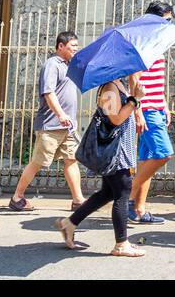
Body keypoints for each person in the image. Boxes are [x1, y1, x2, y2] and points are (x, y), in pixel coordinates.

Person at [54, 75, 144, 257]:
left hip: (120, 148)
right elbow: (115, 119)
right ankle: (121, 244)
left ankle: (69, 223)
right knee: (122, 190)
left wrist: (133, 97)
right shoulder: (110, 86)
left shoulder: (119, 83)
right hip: (115, 152)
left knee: (108, 193)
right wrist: (135, 100)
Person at [9, 31, 85, 211]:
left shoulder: (69, 65)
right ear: (60, 46)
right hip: (51, 124)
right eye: (72, 46)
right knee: (38, 162)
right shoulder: (52, 64)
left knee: (71, 159)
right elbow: (48, 92)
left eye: (76, 46)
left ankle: (78, 200)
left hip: (68, 126)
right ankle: (17, 198)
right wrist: (60, 114)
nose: (75, 49)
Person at [129, 2, 175, 225]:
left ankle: (138, 210)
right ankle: (127, 196)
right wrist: (137, 110)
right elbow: (134, 79)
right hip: (146, 108)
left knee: (147, 159)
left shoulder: (157, 44)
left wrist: (165, 105)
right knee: (163, 153)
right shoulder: (144, 42)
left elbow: (156, 81)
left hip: (156, 106)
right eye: (167, 20)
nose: (169, 24)